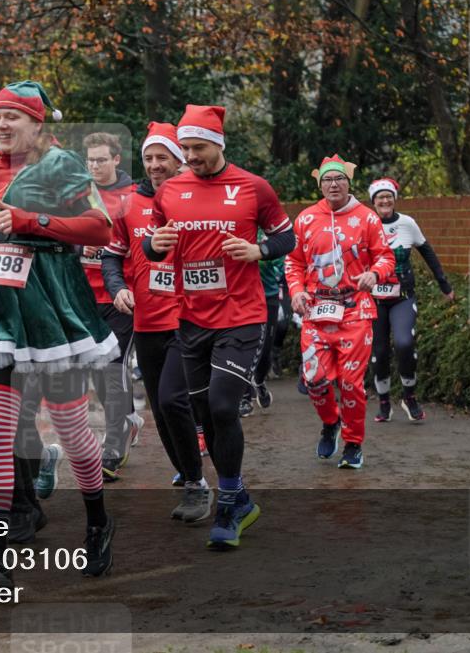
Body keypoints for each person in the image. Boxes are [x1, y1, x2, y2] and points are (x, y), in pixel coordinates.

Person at [0, 81, 117, 586]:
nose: (0, 126)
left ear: (38, 124)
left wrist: (35, 220)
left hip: (52, 306)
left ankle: (99, 520)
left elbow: (100, 229)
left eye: (12, 118)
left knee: (73, 432)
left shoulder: (64, 166)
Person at [145, 105, 296, 548]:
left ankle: (229, 503)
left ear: (219, 145)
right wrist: (155, 244)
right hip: (192, 318)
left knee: (224, 405)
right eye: (186, 147)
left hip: (242, 315)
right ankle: (240, 496)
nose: (190, 155)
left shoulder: (253, 187)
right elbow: (155, 247)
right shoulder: (170, 191)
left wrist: (259, 251)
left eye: (198, 147)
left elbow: (287, 237)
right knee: (205, 412)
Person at [102, 122, 209, 521]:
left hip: (188, 317)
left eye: (162, 156)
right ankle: (187, 469)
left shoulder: (195, 197)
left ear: (178, 158)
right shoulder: (128, 204)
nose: (154, 164)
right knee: (162, 410)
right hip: (146, 320)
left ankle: (201, 483)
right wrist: (117, 288)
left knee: (174, 399)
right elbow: (112, 255)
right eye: (148, 157)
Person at [284, 155, 395, 470]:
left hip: (355, 311)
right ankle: (331, 422)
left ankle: (353, 442)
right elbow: (293, 261)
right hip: (316, 310)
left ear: (349, 183)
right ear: (320, 185)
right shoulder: (305, 219)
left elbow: (385, 257)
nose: (334, 185)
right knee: (315, 379)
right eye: (327, 180)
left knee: (350, 382)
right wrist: (296, 290)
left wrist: (375, 274)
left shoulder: (367, 218)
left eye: (339, 179)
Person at [79, 132, 142, 481]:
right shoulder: (77, 195)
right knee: (98, 373)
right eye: (90, 160)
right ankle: (129, 421)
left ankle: (114, 445)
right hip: (84, 298)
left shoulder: (133, 196)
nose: (94, 166)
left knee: (114, 368)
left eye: (101, 159)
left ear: (117, 160)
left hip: (122, 297)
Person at [367, 178, 453, 423]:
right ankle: (384, 402)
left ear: (394, 199)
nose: (384, 201)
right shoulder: (365, 223)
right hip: (373, 299)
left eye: (388, 197)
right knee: (380, 351)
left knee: (404, 343)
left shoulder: (407, 223)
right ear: (373, 202)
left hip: (402, 297)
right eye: (379, 198)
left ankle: (409, 397)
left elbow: (427, 252)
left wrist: (444, 284)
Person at [239, 228, 285, 417]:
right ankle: (244, 396)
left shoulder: (270, 231)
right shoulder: (236, 224)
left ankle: (259, 381)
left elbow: (280, 262)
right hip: (242, 298)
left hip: (268, 296)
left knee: (264, 351)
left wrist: (261, 254)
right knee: (242, 347)